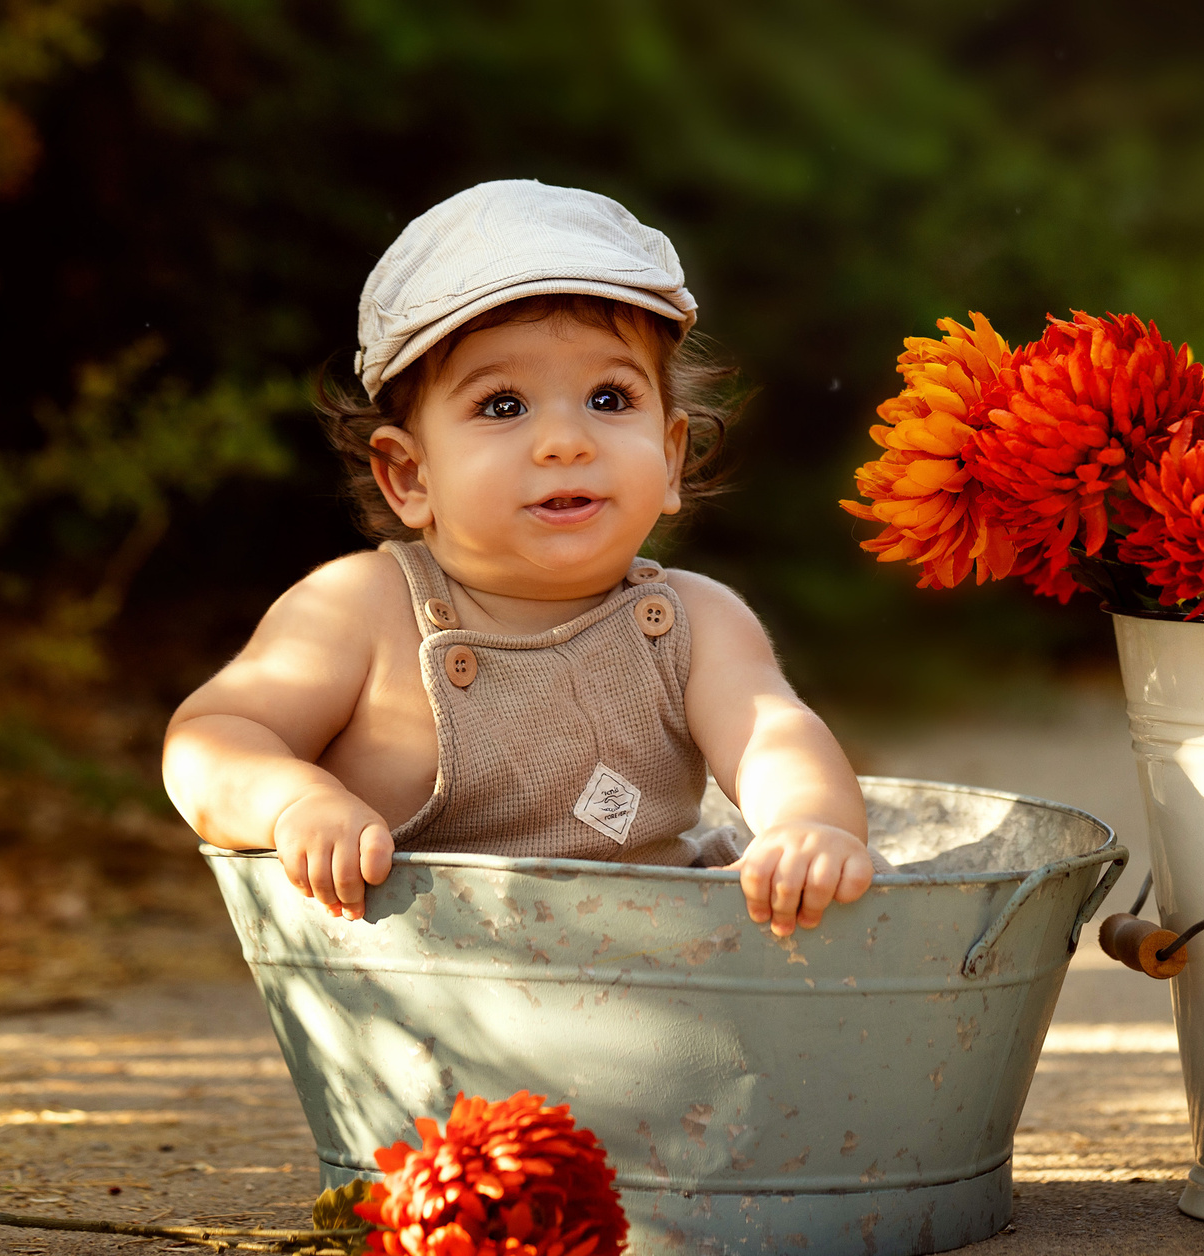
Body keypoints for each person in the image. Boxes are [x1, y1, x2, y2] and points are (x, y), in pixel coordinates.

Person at [163, 179, 873, 936]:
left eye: (609, 398)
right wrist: (294, 801)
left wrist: (809, 823)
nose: (565, 441)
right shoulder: (360, 609)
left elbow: (774, 736)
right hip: (428, 981)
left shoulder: (697, 622)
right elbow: (214, 735)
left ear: (670, 457)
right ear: (411, 475)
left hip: (664, 968)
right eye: (503, 405)